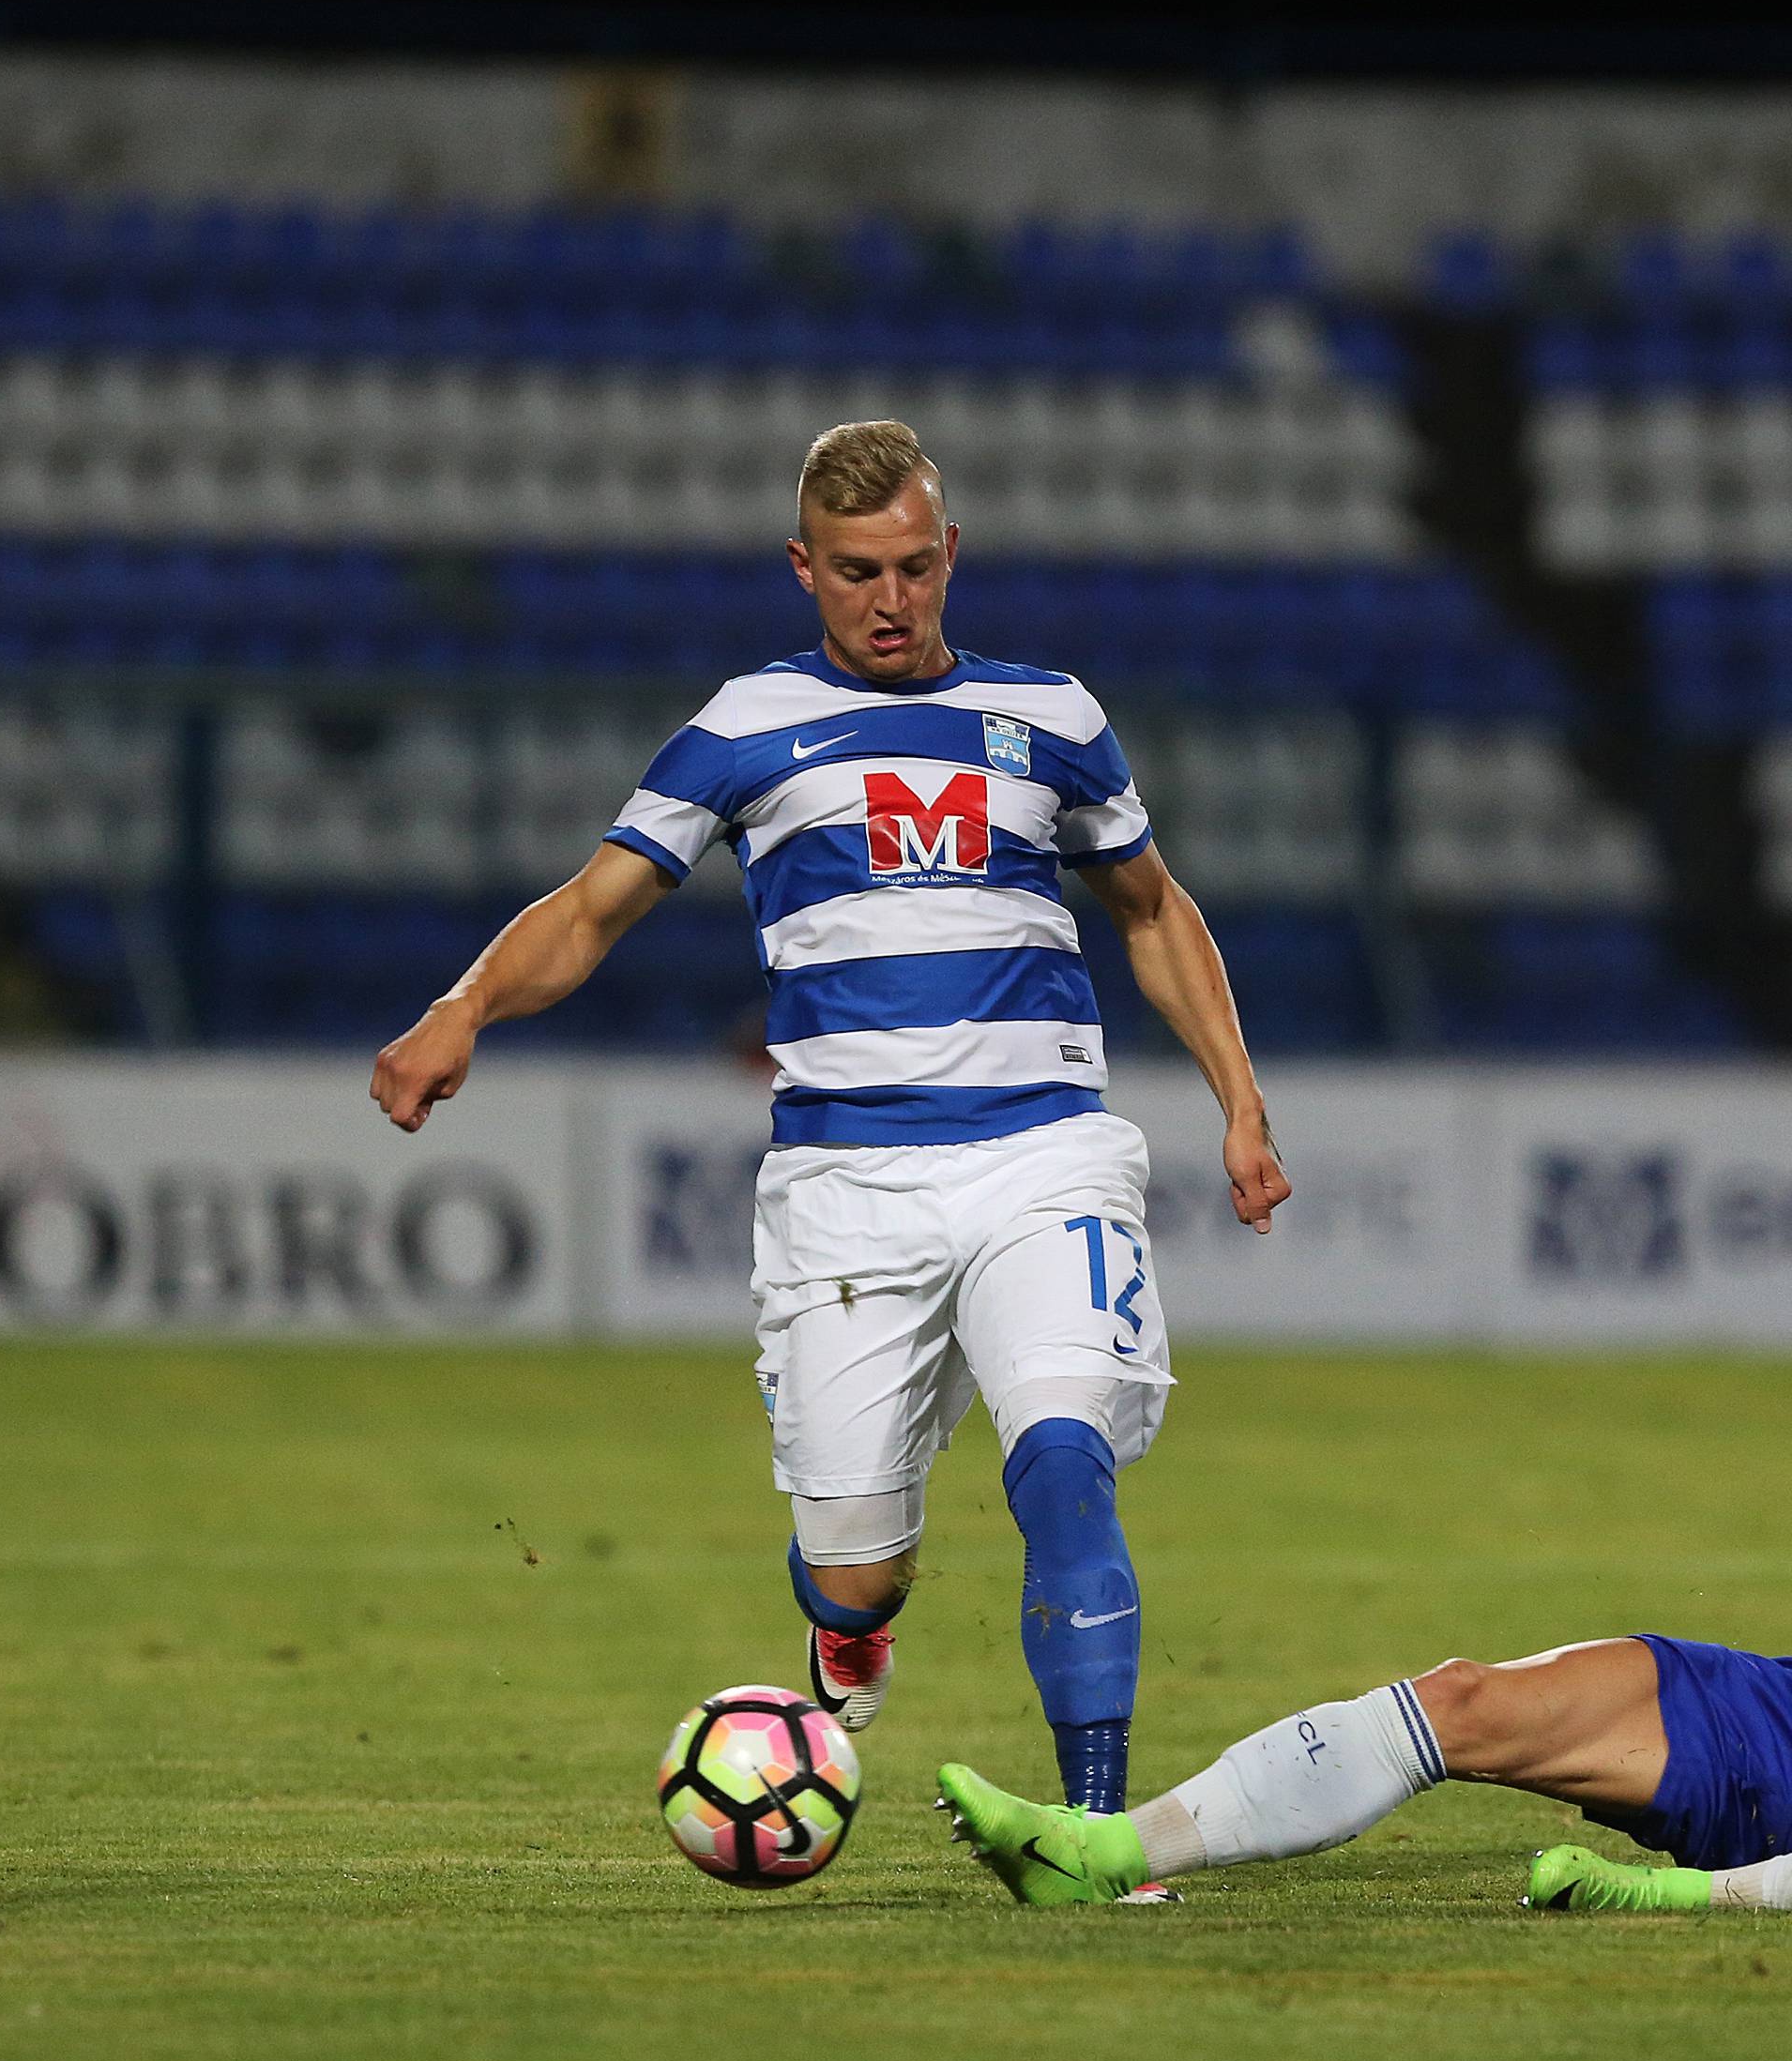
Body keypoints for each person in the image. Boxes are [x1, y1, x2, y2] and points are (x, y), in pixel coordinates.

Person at [372, 419, 1288, 1830]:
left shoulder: (1054, 716)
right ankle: (853, 1630)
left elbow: (1155, 913)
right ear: (805, 566)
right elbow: (590, 908)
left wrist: (1240, 1102)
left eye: (916, 567)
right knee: (854, 1561)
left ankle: (1102, 1832)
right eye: (859, 570)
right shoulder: (741, 730)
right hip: (845, 1186)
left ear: (951, 555)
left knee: (1061, 1462)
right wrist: (462, 1008)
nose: (891, 598)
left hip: (1042, 1152)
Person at [936, 1630, 1792, 1912]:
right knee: (1460, 1701)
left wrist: (1653, 1896)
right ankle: (1102, 1858)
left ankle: (1099, 1856)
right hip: (1767, 1694)